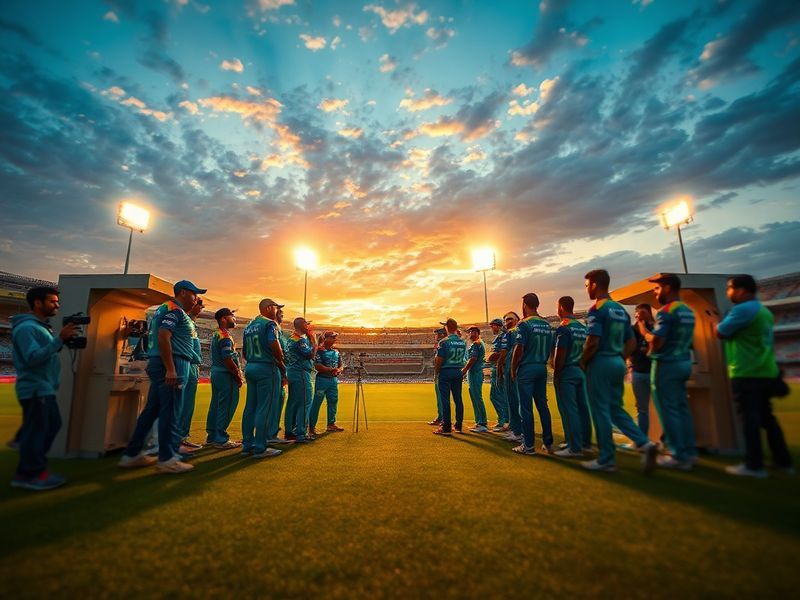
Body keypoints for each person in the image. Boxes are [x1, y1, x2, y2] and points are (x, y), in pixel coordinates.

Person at [119, 280, 206, 474]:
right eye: (194, 294)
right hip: (173, 362)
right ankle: (167, 458)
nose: (197, 299)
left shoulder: (165, 309)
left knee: (152, 410)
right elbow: (163, 335)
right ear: (183, 292)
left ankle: (132, 454)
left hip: (162, 362)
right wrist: (171, 369)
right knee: (171, 412)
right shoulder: (174, 310)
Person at [580, 269, 657, 473]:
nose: (587, 289)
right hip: (617, 362)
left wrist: (583, 361)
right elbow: (631, 342)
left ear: (595, 284)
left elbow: (592, 341)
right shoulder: (620, 310)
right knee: (615, 408)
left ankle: (606, 459)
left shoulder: (597, 308)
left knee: (600, 411)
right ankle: (645, 443)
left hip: (601, 362)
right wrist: (619, 358)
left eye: (587, 285)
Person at [717, 274, 794, 478]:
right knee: (767, 418)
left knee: (749, 420)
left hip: (747, 371)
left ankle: (754, 465)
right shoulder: (763, 310)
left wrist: (721, 318)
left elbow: (721, 331)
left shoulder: (743, 310)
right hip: (766, 370)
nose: (728, 292)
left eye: (730, 288)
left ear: (741, 290)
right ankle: (783, 461)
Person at [10, 286, 79, 490]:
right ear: (38, 303)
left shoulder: (40, 327)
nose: (57, 304)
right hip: (34, 389)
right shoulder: (27, 328)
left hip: (44, 388)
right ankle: (30, 474)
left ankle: (30, 466)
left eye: (57, 301)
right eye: (52, 301)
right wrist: (59, 339)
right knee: (39, 431)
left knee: (50, 426)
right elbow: (32, 358)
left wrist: (60, 341)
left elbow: (46, 353)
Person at [637, 274, 697, 470]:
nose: (655, 293)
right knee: (682, 408)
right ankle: (689, 452)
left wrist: (644, 332)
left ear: (668, 288)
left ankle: (677, 454)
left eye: (657, 289)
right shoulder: (687, 311)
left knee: (668, 410)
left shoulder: (666, 311)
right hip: (683, 361)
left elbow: (657, 341)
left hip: (667, 364)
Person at [241, 298, 286, 458]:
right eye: (276, 307)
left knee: (250, 407)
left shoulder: (249, 326)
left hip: (251, 366)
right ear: (268, 308)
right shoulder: (269, 324)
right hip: (266, 367)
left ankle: (247, 445)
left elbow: (244, 352)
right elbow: (274, 344)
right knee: (265, 408)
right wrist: (281, 362)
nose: (277, 310)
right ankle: (260, 447)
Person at [511, 293, 554, 455]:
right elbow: (551, 348)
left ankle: (528, 445)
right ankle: (548, 443)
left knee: (526, 407)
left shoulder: (524, 324)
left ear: (524, 305)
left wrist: (513, 368)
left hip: (527, 368)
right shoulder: (546, 324)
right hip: (541, 368)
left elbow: (519, 348)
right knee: (543, 405)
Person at [551, 296, 592, 458]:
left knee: (570, 410)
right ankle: (585, 443)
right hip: (580, 370)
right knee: (583, 408)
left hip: (567, 371)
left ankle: (574, 447)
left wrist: (557, 374)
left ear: (560, 307)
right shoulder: (582, 327)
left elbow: (560, 354)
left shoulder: (564, 327)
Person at [205, 308, 243, 449]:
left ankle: (212, 436)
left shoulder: (217, 335)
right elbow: (227, 359)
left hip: (217, 373)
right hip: (225, 374)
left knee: (216, 405)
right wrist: (237, 375)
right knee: (226, 406)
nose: (235, 319)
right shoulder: (225, 337)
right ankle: (221, 438)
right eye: (232, 317)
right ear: (223, 319)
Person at [284, 317, 318, 443]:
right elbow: (310, 355)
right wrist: (314, 342)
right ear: (301, 325)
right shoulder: (299, 340)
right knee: (305, 403)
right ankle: (301, 434)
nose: (308, 326)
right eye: (306, 324)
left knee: (292, 403)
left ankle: (290, 431)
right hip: (301, 373)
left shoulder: (290, 339)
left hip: (292, 372)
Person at [177, 298, 204, 450]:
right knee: (183, 403)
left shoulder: (191, 323)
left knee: (188, 404)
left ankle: (182, 436)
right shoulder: (183, 319)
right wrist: (196, 357)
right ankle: (178, 438)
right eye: (198, 304)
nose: (200, 307)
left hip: (192, 365)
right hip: (187, 364)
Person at [432, 318, 467, 436]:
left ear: (447, 327)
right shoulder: (462, 342)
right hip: (458, 371)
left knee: (445, 400)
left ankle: (446, 427)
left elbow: (439, 359)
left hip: (446, 372)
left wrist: (437, 373)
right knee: (458, 399)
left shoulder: (444, 342)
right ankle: (458, 425)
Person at [309, 331, 343, 435]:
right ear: (325, 338)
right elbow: (317, 366)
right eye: (332, 337)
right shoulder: (319, 351)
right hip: (322, 380)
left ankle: (331, 424)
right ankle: (311, 427)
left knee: (333, 401)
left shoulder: (336, 352)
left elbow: (341, 365)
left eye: (335, 338)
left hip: (333, 380)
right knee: (317, 403)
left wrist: (339, 370)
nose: (334, 339)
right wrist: (331, 369)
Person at [267, 307, 292, 445]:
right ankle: (270, 434)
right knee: (275, 403)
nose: (282, 316)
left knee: (275, 403)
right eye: (281, 314)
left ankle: (270, 433)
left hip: (275, 370)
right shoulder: (272, 328)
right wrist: (283, 370)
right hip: (275, 371)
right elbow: (276, 352)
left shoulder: (279, 331)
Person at [629, 303, 654, 436]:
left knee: (662, 406)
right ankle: (642, 439)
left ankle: (665, 439)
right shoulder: (632, 330)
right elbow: (629, 347)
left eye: (643, 313)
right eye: (638, 314)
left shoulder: (655, 328)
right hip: (638, 371)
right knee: (642, 409)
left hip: (654, 371)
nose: (640, 317)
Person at [497, 312, 523, 443]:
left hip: (511, 369)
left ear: (518, 320)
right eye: (506, 320)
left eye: (510, 319)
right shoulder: (523, 331)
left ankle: (517, 431)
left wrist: (499, 370)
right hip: (522, 369)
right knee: (520, 401)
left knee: (513, 400)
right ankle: (519, 429)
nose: (507, 322)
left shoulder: (509, 334)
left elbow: (503, 354)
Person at [462, 326, 489, 433]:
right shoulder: (477, 343)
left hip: (475, 373)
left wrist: (464, 370)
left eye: (474, 331)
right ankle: (479, 422)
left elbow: (472, 359)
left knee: (477, 398)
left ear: (478, 333)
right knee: (475, 397)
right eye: (470, 332)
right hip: (474, 373)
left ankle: (482, 423)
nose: (471, 334)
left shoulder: (476, 343)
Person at [486, 318, 508, 432]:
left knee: (496, 396)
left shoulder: (502, 337)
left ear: (499, 326)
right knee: (501, 396)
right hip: (497, 369)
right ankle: (506, 421)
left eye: (493, 326)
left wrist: (491, 357)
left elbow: (501, 354)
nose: (491, 328)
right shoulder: (498, 337)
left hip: (500, 369)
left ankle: (503, 421)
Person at [427, 327, 447, 426]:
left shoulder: (443, 344)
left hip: (442, 373)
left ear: (442, 334)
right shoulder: (440, 344)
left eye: (437, 334)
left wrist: (437, 373)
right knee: (440, 398)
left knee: (442, 398)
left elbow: (440, 360)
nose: (436, 336)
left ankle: (444, 420)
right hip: (442, 373)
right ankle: (441, 418)